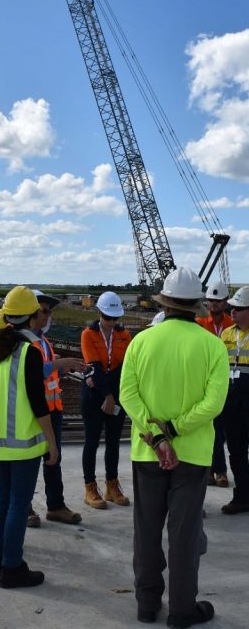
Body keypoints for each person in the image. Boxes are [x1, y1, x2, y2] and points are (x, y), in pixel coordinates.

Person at [119, 267, 229, 627]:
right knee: (184, 535)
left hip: (148, 453)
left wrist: (158, 435)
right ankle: (182, 610)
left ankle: (146, 604)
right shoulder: (211, 344)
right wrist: (176, 430)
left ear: (165, 303)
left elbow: (128, 396)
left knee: (147, 531)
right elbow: (213, 404)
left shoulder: (140, 342)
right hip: (193, 457)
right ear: (196, 305)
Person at [0, 286, 58, 588]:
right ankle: (11, 567)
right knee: (18, 506)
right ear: (33, 318)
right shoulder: (29, 353)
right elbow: (38, 403)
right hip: (22, 446)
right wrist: (52, 442)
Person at [28, 290, 87, 526]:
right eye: (44, 311)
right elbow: (32, 372)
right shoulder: (23, 341)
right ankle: (25, 507)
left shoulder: (42, 340)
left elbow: (47, 371)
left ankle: (56, 506)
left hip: (53, 409)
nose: (48, 316)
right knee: (30, 461)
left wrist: (63, 367)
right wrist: (58, 364)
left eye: (49, 311)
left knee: (53, 459)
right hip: (33, 411)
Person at [81, 291, 131, 509]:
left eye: (115, 318)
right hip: (94, 397)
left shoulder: (124, 335)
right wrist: (107, 395)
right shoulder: (88, 335)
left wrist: (112, 393)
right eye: (108, 317)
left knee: (113, 442)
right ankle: (90, 488)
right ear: (99, 313)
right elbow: (94, 367)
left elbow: (125, 367)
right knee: (92, 441)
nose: (111, 322)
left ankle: (112, 485)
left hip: (114, 392)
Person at [196, 281, 233, 488]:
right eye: (211, 300)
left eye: (218, 301)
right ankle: (213, 470)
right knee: (210, 428)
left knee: (221, 429)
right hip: (204, 382)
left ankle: (219, 470)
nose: (214, 304)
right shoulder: (200, 322)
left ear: (225, 302)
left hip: (228, 382)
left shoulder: (231, 325)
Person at [220, 286, 249, 515]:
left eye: (238, 309)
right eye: (232, 308)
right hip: (232, 402)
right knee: (236, 451)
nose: (232, 312)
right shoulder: (227, 334)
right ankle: (242, 496)